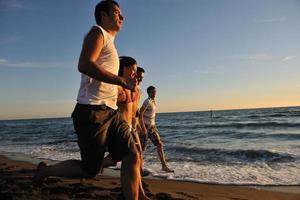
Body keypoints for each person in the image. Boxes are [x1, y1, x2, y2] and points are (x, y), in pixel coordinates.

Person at [33, 1, 149, 199]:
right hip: (92, 111)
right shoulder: (98, 33)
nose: (122, 17)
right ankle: (46, 171)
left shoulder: (111, 44)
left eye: (121, 13)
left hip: (111, 112)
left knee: (132, 154)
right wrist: (121, 81)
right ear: (103, 15)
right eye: (116, 13)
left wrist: (119, 89)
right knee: (90, 170)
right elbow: (84, 64)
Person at [139, 86, 174, 173]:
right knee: (141, 149)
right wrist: (143, 127)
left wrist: (154, 125)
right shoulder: (147, 102)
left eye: (155, 92)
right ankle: (138, 168)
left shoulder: (153, 102)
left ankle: (164, 166)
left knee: (159, 144)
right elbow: (140, 114)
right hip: (146, 127)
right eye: (153, 92)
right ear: (149, 93)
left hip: (152, 127)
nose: (155, 93)